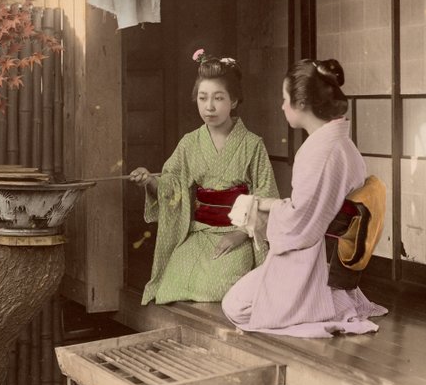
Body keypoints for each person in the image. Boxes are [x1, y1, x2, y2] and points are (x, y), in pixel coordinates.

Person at [221, 58, 388, 338]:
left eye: (285, 98)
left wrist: (267, 208)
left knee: (236, 307)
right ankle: (334, 300)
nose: (282, 105)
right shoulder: (338, 144)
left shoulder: (321, 153)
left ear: (301, 103)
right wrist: (268, 204)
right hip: (323, 249)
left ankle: (324, 305)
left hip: (311, 254)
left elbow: (301, 223)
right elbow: (309, 209)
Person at [130, 50, 279, 305]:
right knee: (171, 286)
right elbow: (172, 184)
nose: (209, 106)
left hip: (237, 234)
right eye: (202, 98)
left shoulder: (252, 145)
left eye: (218, 98)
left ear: (233, 101)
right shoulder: (190, 143)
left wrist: (240, 234)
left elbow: (266, 195)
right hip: (199, 234)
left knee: (214, 288)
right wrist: (150, 181)